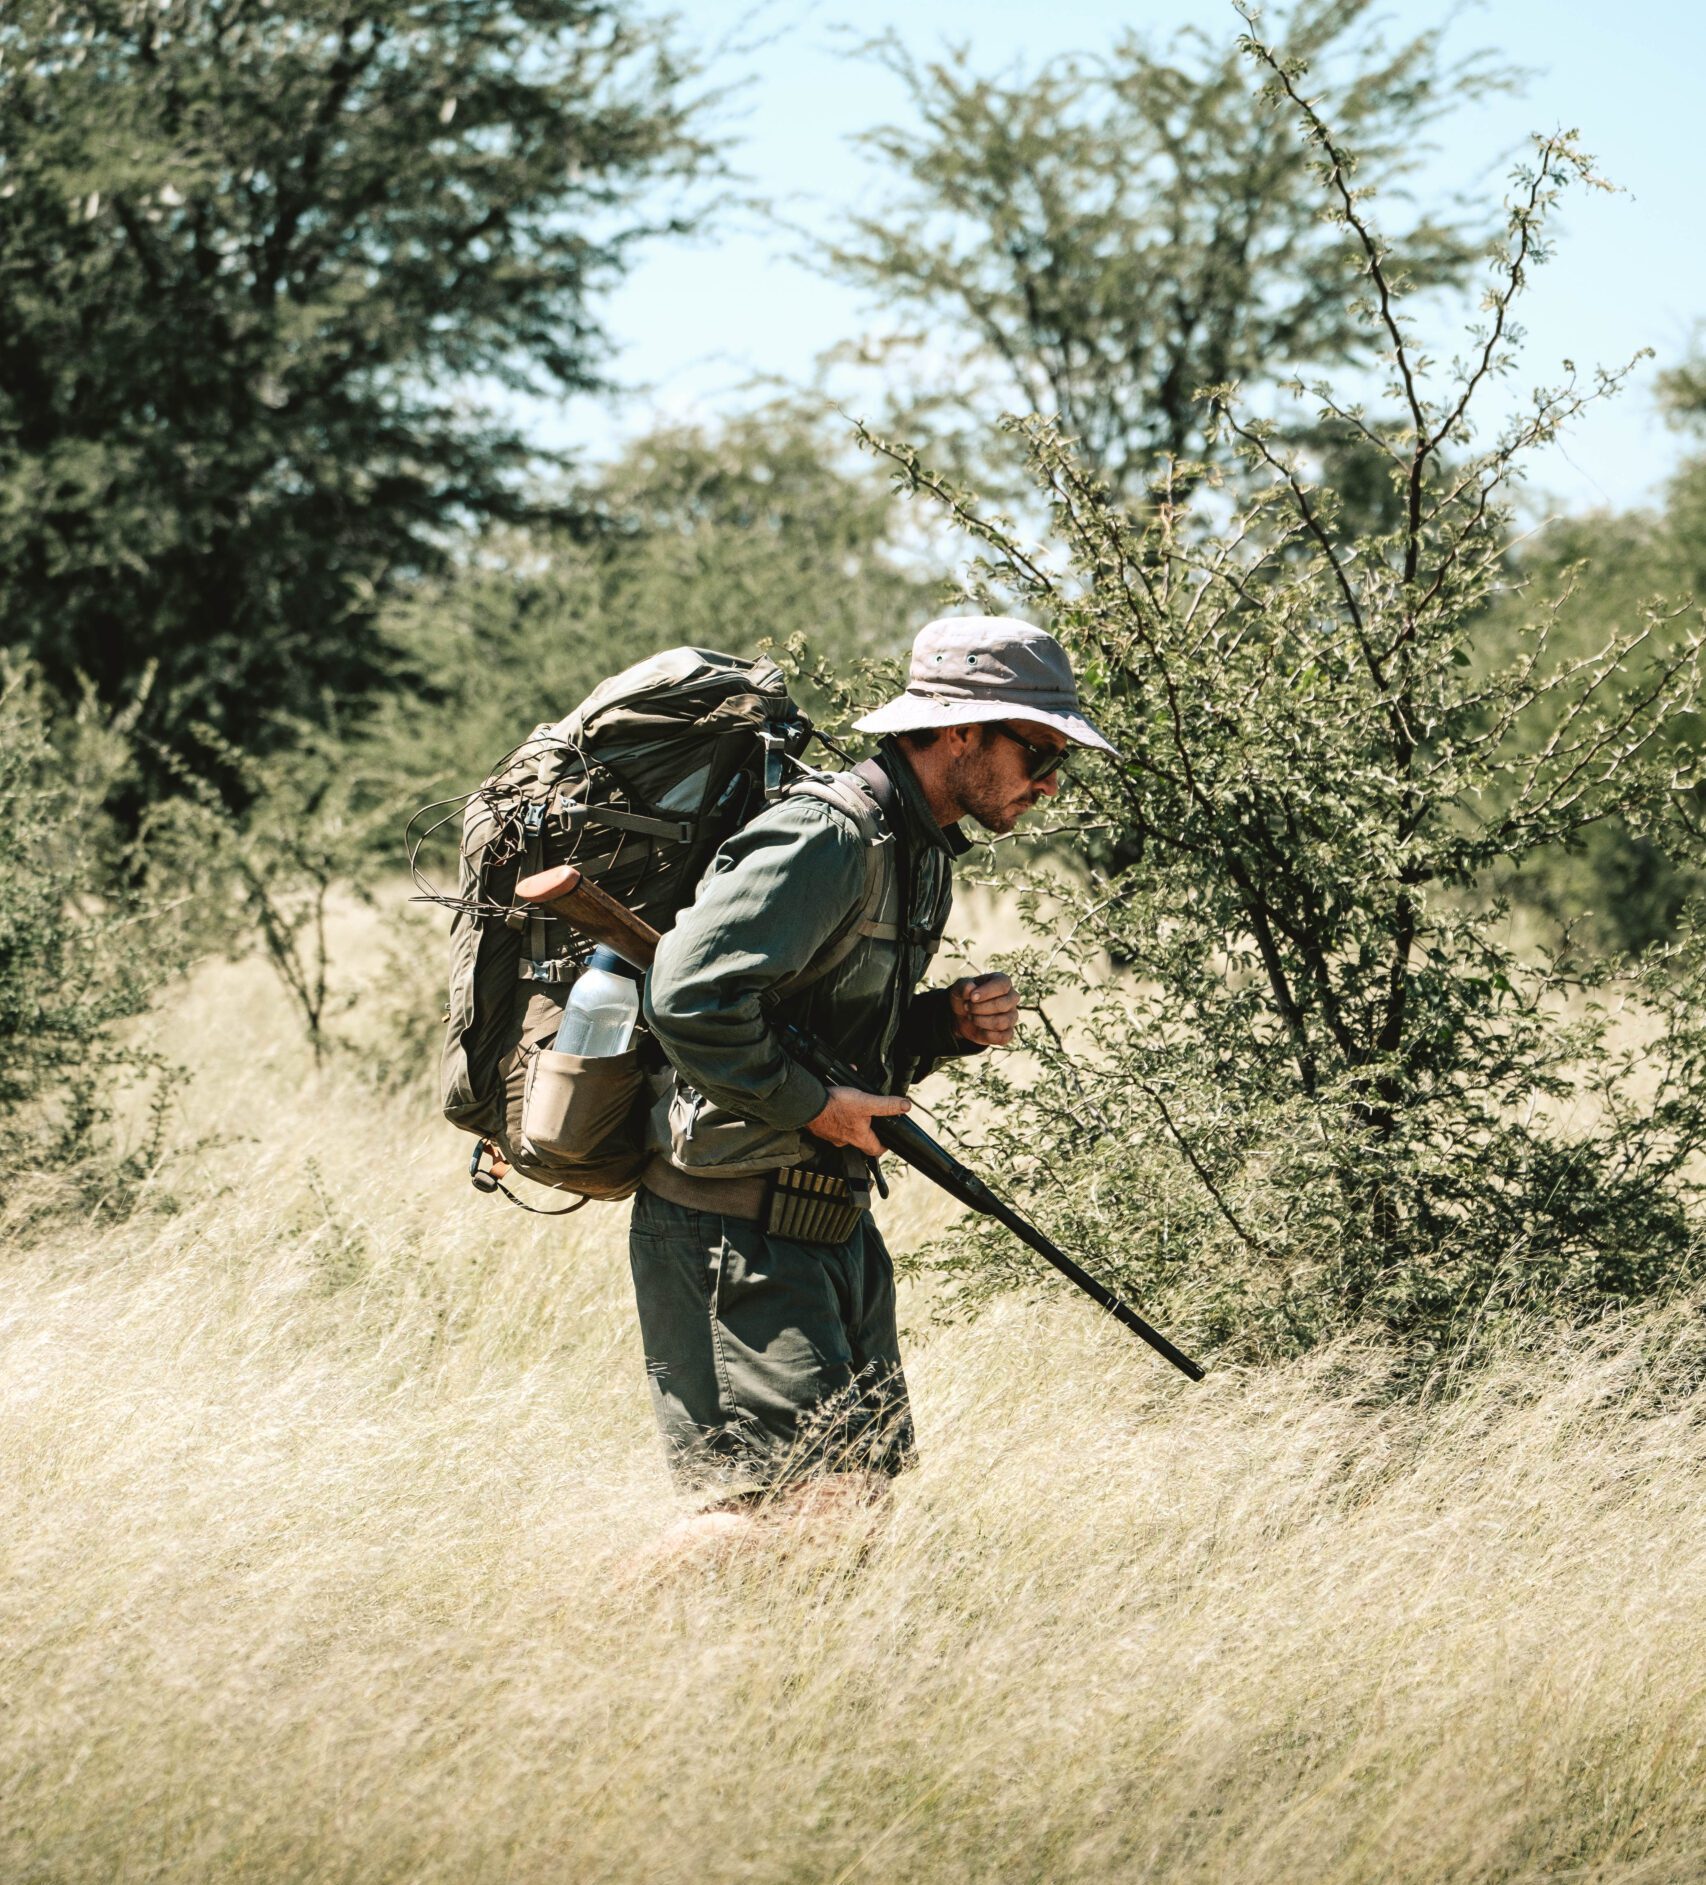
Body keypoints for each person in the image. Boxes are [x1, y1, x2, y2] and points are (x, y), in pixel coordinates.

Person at [631, 615, 1115, 1545]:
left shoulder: (920, 847)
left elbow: (821, 1028)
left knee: (855, 1511)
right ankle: (563, 1654)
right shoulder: (830, 835)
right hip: (734, 1219)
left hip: (830, 1221)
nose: (1050, 780)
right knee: (774, 1522)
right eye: (1039, 748)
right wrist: (817, 1106)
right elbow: (688, 997)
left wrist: (940, 1025)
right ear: (962, 728)